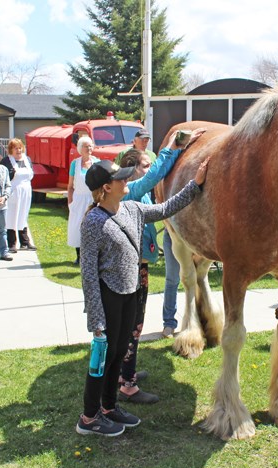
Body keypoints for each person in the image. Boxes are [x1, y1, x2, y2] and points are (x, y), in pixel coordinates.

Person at [76, 157, 208, 437]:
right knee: (104, 356)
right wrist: (96, 318)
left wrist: (194, 185)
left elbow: (166, 208)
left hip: (130, 295)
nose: (127, 180)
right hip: (108, 297)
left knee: (119, 353)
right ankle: (89, 418)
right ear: (105, 188)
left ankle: (110, 408)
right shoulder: (93, 221)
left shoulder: (132, 209)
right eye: (121, 178)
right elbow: (88, 273)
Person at [115, 129, 206, 404]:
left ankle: (124, 371)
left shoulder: (137, 197)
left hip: (138, 267)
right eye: (143, 165)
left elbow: (164, 208)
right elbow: (156, 175)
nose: (149, 169)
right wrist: (174, 147)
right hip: (129, 271)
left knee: (134, 325)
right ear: (131, 171)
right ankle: (126, 385)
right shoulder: (131, 192)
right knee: (130, 325)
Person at [67, 136, 100, 265]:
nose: (89, 148)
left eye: (91, 145)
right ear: (80, 148)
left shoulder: (97, 163)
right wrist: (70, 202)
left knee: (93, 227)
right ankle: (79, 256)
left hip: (92, 199)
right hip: (78, 199)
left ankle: (93, 256)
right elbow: (70, 186)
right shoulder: (75, 164)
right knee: (77, 227)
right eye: (86, 146)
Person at [0, 138, 36, 253]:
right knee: (12, 216)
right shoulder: (6, 161)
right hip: (13, 192)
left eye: (20, 147)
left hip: (26, 191)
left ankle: (25, 242)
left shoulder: (27, 159)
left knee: (23, 214)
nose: (18, 150)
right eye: (16, 148)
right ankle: (11, 243)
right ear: (11, 150)